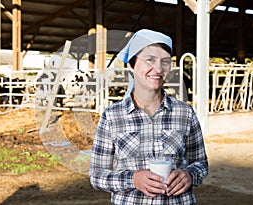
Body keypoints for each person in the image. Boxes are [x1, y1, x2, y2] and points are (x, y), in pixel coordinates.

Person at [89, 29, 208, 204]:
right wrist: (133, 180)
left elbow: (201, 163)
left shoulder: (185, 113)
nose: (158, 69)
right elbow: (97, 175)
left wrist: (190, 175)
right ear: (131, 65)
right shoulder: (112, 117)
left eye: (165, 61)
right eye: (150, 60)